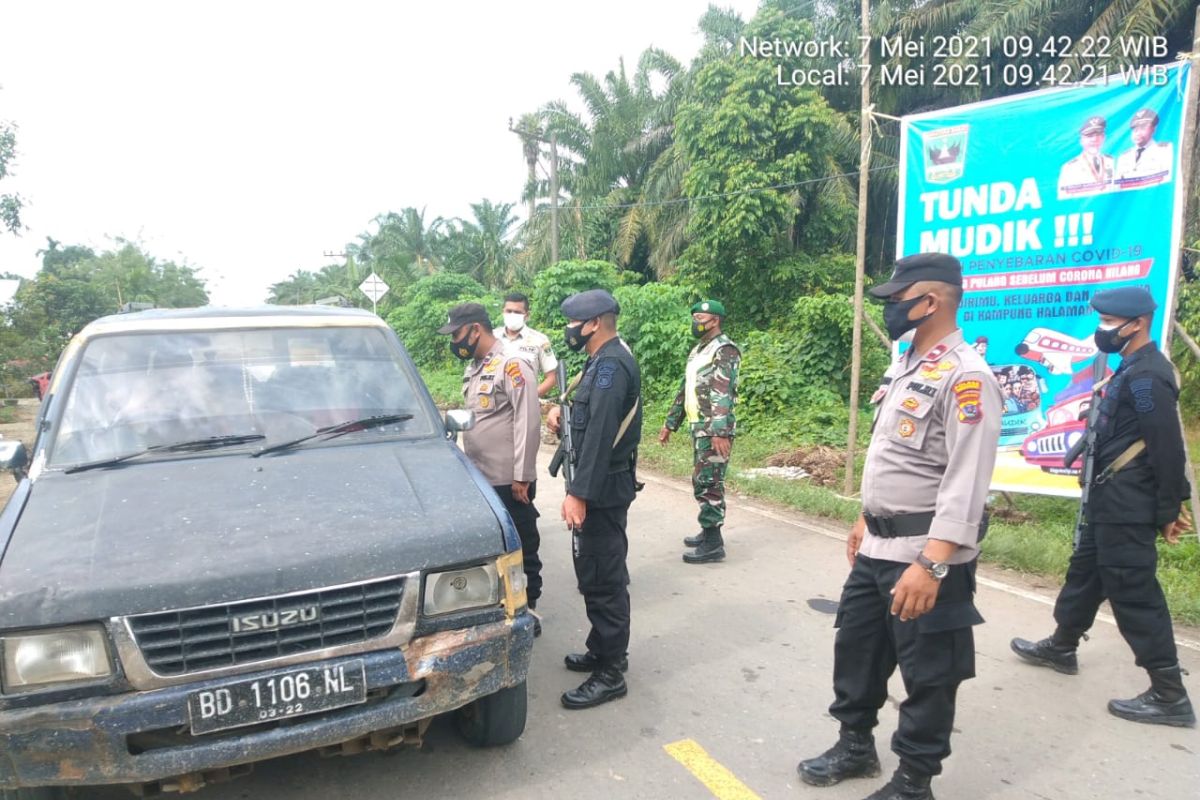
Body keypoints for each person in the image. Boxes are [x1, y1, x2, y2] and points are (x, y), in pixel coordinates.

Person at [797, 253, 1002, 800]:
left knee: (929, 674)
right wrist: (866, 516)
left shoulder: (967, 377)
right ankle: (855, 745)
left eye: (895, 299)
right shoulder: (909, 363)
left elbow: (966, 480)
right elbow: (895, 455)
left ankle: (914, 781)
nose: (887, 308)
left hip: (925, 554)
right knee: (858, 649)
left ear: (930, 301)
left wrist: (933, 564)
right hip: (879, 546)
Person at [1011, 287, 1195, 728]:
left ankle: (1169, 693)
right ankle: (1062, 645)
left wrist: (1170, 507)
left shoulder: (1148, 377)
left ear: (1137, 324)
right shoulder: (1129, 368)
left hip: (1129, 502)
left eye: (1110, 321)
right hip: (1109, 495)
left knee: (1133, 591)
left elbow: (1166, 444)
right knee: (1087, 570)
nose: (1103, 329)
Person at [545, 289, 642, 710]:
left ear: (595, 323)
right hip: (597, 488)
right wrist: (559, 412)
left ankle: (611, 671)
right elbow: (587, 421)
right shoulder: (600, 362)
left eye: (574, 323)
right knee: (592, 570)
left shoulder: (612, 367)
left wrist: (579, 494)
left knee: (604, 578)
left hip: (600, 492)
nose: (569, 330)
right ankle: (600, 647)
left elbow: (602, 435)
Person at [437, 303, 545, 633]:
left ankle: (532, 608)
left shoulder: (512, 364)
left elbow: (528, 421)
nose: (454, 340)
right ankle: (503, 606)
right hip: (482, 478)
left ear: (475, 329)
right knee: (495, 549)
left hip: (509, 479)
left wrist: (522, 476)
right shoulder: (477, 366)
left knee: (522, 544)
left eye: (457, 333)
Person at [659, 299, 741, 564]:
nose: (695, 322)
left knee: (710, 483)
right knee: (701, 480)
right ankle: (708, 532)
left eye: (700, 317)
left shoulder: (724, 350)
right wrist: (670, 423)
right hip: (700, 428)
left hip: (714, 431)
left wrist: (720, 431)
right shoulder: (699, 351)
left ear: (714, 320)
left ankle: (714, 543)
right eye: (694, 317)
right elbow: (686, 388)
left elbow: (722, 392)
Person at [495, 292, 559, 398]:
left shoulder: (540, 340)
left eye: (517, 312)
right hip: (495, 405)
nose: (512, 315)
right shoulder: (493, 338)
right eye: (509, 311)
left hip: (526, 406)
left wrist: (530, 398)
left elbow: (552, 377)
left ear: (527, 315)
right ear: (503, 312)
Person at [1114, 108, 1174, 188]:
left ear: (1153, 129)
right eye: (1135, 129)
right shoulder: (1124, 157)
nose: (1138, 133)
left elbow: (1167, 183)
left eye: (1142, 128)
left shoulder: (1164, 150)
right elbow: (1118, 187)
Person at [1058, 116, 1114, 200]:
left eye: (1098, 135)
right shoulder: (1070, 168)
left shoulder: (1112, 161)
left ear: (1103, 138)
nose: (1094, 139)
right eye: (1089, 136)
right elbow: (1064, 199)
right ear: (1081, 141)